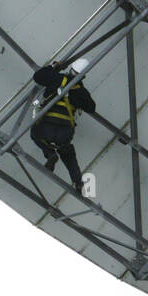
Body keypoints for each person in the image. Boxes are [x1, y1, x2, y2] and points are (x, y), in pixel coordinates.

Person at [30, 57, 95, 195]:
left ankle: (50, 154)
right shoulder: (81, 92)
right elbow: (91, 107)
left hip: (46, 126)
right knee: (68, 153)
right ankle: (77, 182)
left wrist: (53, 67)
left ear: (71, 68)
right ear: (83, 76)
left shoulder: (56, 78)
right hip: (64, 132)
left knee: (35, 134)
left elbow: (37, 77)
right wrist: (80, 94)